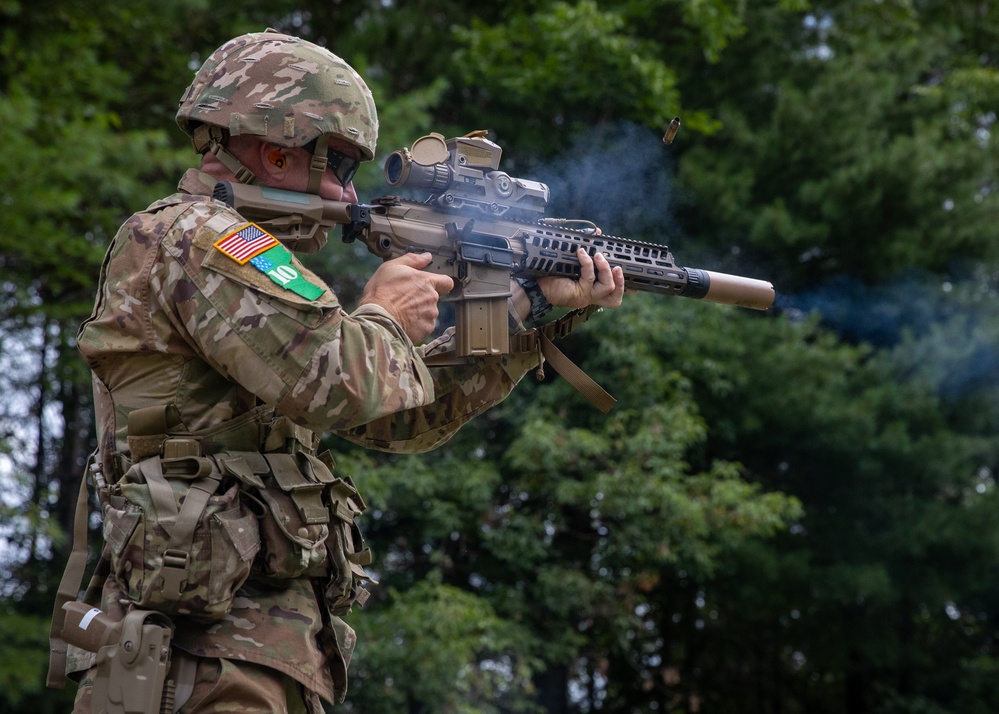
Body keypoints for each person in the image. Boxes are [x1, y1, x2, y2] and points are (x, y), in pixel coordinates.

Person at [63, 29, 625, 713]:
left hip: (245, 653)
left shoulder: (229, 252)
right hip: (202, 656)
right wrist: (386, 311)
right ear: (274, 151)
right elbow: (339, 381)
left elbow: (400, 419)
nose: (345, 193)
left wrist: (529, 307)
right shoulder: (199, 238)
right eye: (339, 167)